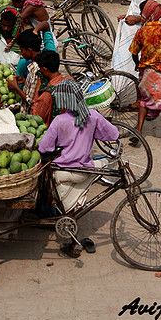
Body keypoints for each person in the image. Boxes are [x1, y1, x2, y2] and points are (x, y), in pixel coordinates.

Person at [38, 76, 119, 216]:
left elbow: (44, 148)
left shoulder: (59, 120)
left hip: (63, 171)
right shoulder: (93, 115)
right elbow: (113, 134)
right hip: (84, 170)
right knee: (105, 160)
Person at [130, 0, 161, 146]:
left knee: (144, 103)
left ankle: (139, 131)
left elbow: (134, 52)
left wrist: (137, 64)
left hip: (146, 71)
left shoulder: (142, 31)